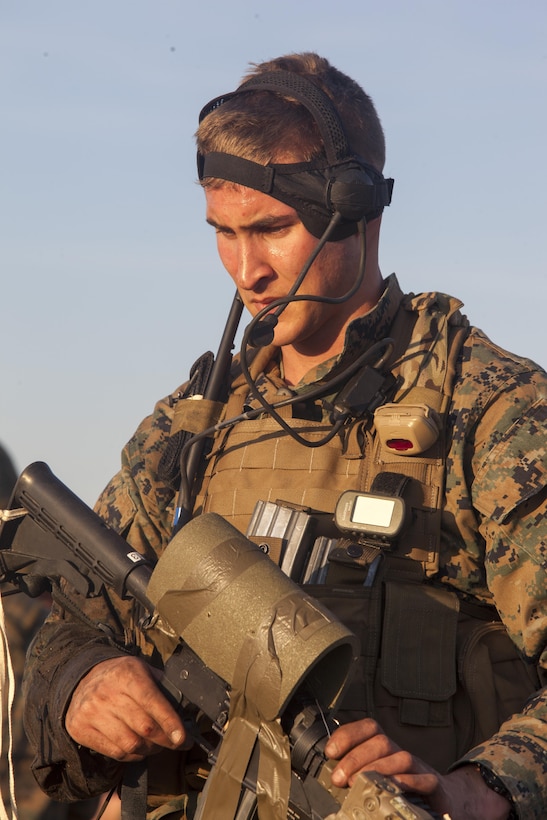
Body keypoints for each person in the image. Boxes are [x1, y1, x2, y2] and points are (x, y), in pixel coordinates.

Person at [22, 53, 546, 820]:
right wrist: (82, 682)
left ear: (361, 209)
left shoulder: (489, 413)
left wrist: (482, 790)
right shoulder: (189, 430)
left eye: (270, 229)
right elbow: (70, 624)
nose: (245, 269)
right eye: (222, 233)